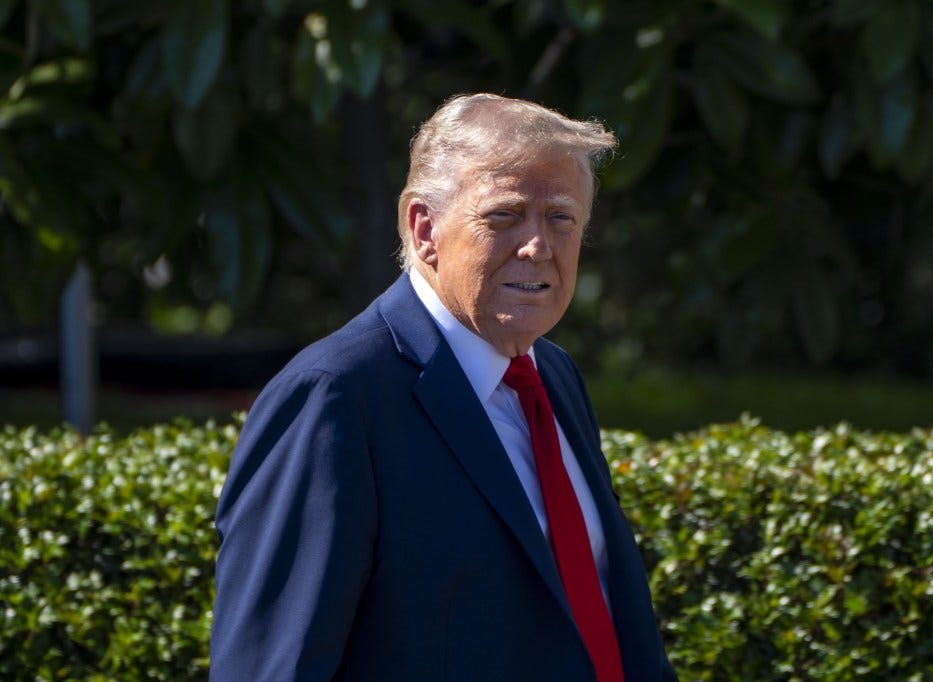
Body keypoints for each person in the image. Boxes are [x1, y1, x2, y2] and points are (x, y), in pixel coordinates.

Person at [210, 93, 677, 681]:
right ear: (424, 228)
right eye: (504, 215)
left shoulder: (551, 375)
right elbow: (273, 667)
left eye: (562, 218)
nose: (538, 246)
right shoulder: (335, 397)